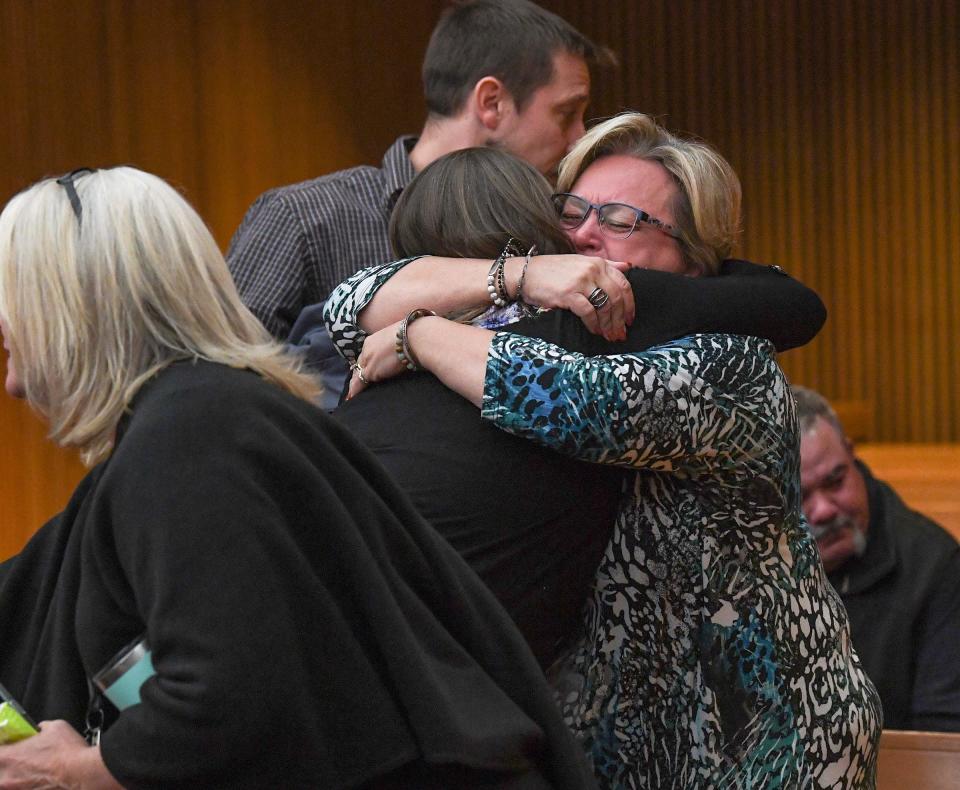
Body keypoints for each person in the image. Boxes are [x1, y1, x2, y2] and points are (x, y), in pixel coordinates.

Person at [323, 114, 880, 787]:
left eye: (619, 219)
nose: (583, 237)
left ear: (692, 259)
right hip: (632, 724)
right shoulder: (552, 323)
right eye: (573, 211)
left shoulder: (729, 362)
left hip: (767, 724)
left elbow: (576, 402)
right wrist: (523, 277)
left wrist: (419, 336)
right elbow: (349, 307)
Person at [0, 167, 598, 789]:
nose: (4, 334)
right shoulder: (212, 417)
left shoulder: (188, 437)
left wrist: (79, 771)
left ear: (67, 307)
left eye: (12, 302)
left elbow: (234, 700)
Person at [226, 0, 613, 407]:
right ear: (492, 103)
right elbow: (223, 380)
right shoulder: (305, 217)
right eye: (566, 113)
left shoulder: (562, 223)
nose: (578, 138)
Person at [795, 385, 960, 732]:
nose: (823, 510)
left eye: (836, 481)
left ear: (853, 456)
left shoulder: (935, 565)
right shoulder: (745, 570)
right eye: (799, 498)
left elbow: (940, 740)